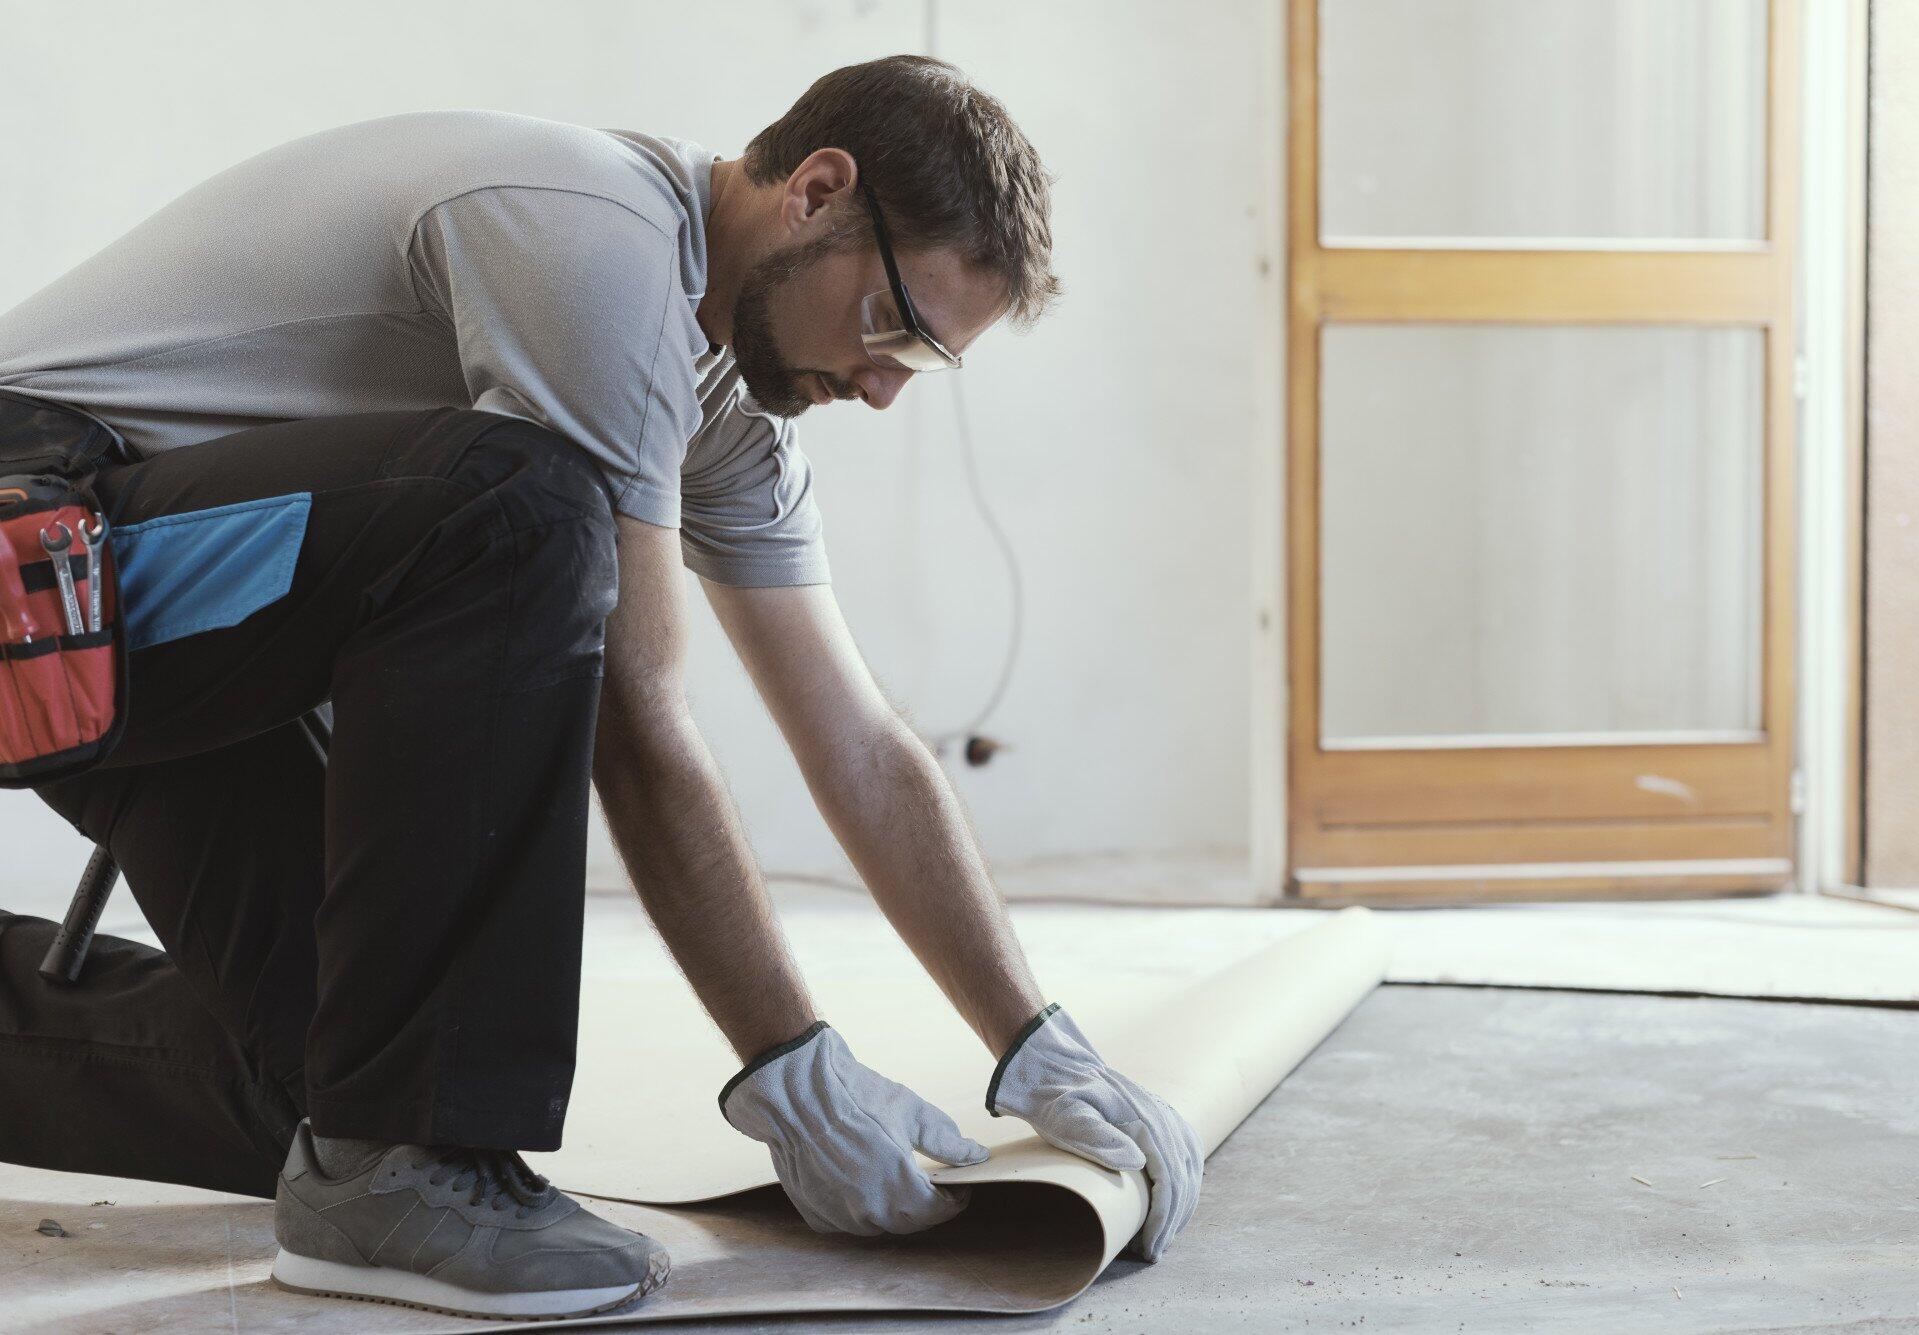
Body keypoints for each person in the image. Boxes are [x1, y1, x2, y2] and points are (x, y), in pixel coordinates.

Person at [0, 56, 1202, 1321]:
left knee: (331, 1075)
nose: (888, 386)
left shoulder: (728, 415)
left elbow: (856, 740)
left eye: (927, 361)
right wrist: (785, 1065)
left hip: (156, 619)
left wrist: (1030, 1040)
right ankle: (413, 1169)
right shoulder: (594, 233)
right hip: (38, 555)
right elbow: (635, 717)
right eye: (891, 327)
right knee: (514, 513)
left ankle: (374, 1148)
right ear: (816, 192)